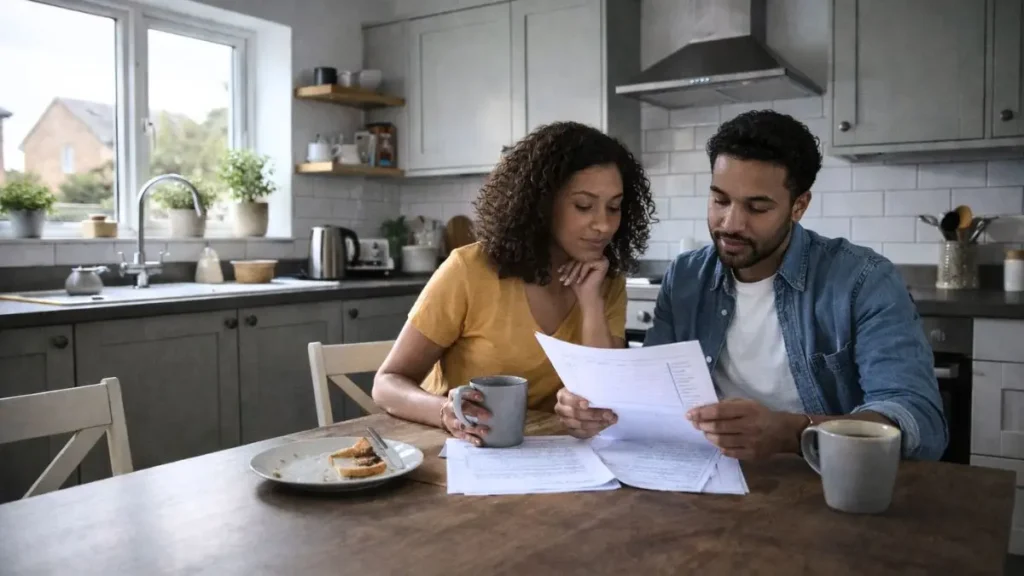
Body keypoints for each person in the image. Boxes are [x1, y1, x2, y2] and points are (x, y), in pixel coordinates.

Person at [554, 110, 948, 461]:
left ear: (799, 205)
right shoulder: (687, 276)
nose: (730, 223)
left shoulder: (863, 281)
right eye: (719, 200)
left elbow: (919, 421)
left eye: (757, 208)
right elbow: (654, 397)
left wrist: (793, 433)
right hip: (707, 476)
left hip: (822, 483)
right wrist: (593, 408)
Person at [373, 121, 656, 446]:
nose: (604, 225)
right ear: (542, 204)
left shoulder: (607, 281)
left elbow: (604, 397)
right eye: (583, 206)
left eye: (614, 207)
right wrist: (444, 412)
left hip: (550, 457)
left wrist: (590, 302)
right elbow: (387, 382)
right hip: (459, 453)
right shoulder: (469, 270)